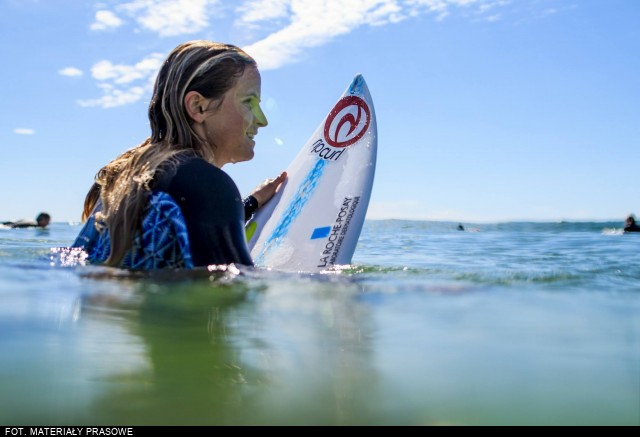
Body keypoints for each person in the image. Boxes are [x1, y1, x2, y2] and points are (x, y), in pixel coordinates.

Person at [72, 40, 286, 270]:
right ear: (198, 107)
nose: (262, 120)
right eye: (248, 102)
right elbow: (234, 296)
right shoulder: (206, 185)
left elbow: (184, 226)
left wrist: (249, 204)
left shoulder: (125, 175)